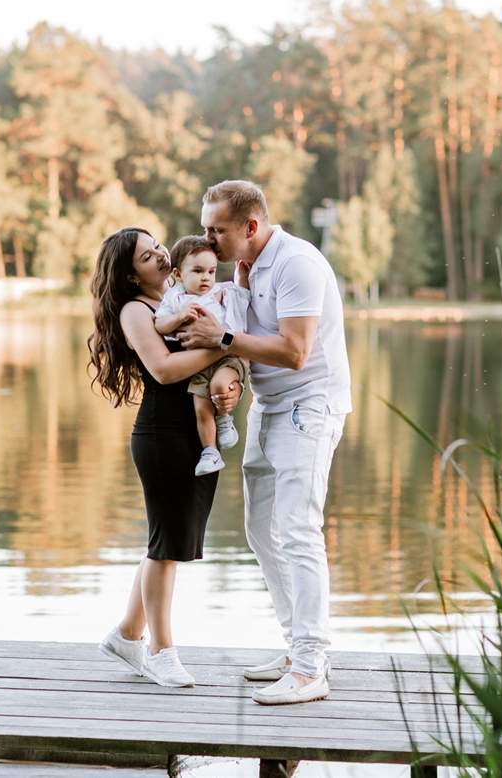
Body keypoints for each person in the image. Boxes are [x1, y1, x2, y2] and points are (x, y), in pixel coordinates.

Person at [176, 180, 352, 706]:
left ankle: (310, 667)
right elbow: (251, 347)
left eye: (217, 229)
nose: (207, 238)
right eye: (205, 228)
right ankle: (298, 646)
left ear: (250, 226)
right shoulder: (243, 268)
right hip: (269, 407)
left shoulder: (297, 263)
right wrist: (230, 378)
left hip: (309, 407)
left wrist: (222, 340)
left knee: (299, 531)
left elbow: (295, 352)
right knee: (260, 530)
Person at [87, 227, 243, 688]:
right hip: (163, 436)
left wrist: (230, 383)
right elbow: (164, 369)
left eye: (157, 246)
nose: (158, 254)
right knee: (166, 546)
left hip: (196, 433)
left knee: (167, 540)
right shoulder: (137, 311)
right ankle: (160, 651)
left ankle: (127, 634)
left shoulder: (183, 298)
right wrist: (225, 344)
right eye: (145, 255)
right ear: (131, 276)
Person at [153, 236, 250, 476]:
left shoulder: (220, 293)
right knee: (201, 407)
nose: (206, 277)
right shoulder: (174, 298)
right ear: (178, 274)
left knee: (219, 385)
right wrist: (179, 316)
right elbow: (160, 324)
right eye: (198, 271)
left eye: (211, 271)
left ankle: (225, 420)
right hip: (197, 365)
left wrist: (242, 276)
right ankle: (210, 452)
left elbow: (243, 297)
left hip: (226, 358)